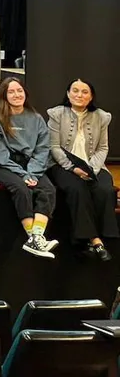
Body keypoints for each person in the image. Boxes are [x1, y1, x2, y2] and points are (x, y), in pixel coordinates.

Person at [0, 77, 58, 259]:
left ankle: (37, 237)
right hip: (3, 165)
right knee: (21, 188)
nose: (16, 95)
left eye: (19, 90)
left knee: (47, 190)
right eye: (11, 92)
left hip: (30, 165)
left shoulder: (36, 118)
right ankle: (32, 237)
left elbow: (43, 149)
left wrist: (32, 172)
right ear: (4, 96)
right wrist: (22, 174)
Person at [46, 79, 116, 260]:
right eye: (75, 91)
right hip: (63, 164)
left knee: (105, 189)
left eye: (84, 92)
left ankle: (106, 237)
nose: (79, 95)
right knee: (77, 188)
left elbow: (103, 148)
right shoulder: (56, 114)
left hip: (93, 164)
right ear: (68, 94)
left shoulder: (101, 116)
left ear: (91, 96)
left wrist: (92, 168)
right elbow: (53, 147)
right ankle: (92, 240)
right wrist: (73, 168)